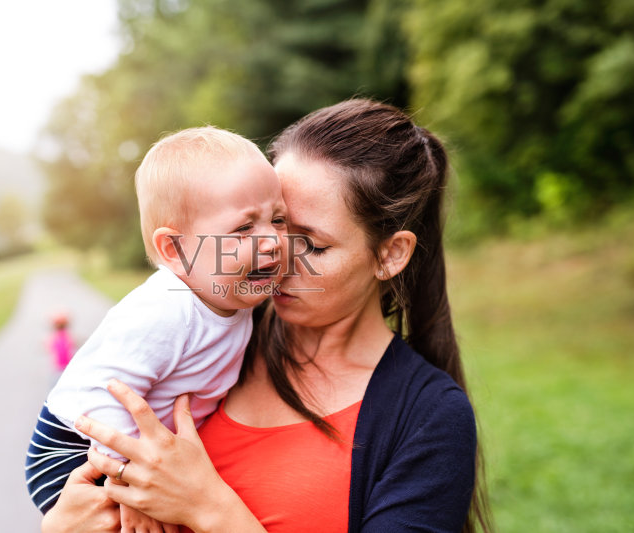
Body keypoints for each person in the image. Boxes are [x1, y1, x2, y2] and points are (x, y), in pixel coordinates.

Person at [32, 99, 492, 533]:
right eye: (274, 225)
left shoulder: (429, 418)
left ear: (390, 254)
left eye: (310, 243)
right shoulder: (216, 338)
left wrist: (210, 508)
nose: (274, 254)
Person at [27, 126, 287, 532]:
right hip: (73, 447)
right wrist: (127, 478)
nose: (272, 240)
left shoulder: (236, 297)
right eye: (243, 228)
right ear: (175, 250)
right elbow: (108, 395)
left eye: (278, 219)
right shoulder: (166, 308)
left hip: (131, 445)